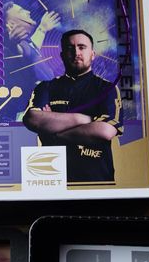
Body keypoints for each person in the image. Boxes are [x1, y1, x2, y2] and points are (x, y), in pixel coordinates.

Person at [22, 30, 122, 183]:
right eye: (70, 48)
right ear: (62, 55)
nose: (76, 52)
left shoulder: (106, 89)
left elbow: (105, 131)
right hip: (52, 177)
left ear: (92, 54)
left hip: (96, 179)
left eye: (82, 47)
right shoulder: (45, 87)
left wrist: (54, 134)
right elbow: (32, 119)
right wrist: (86, 120)